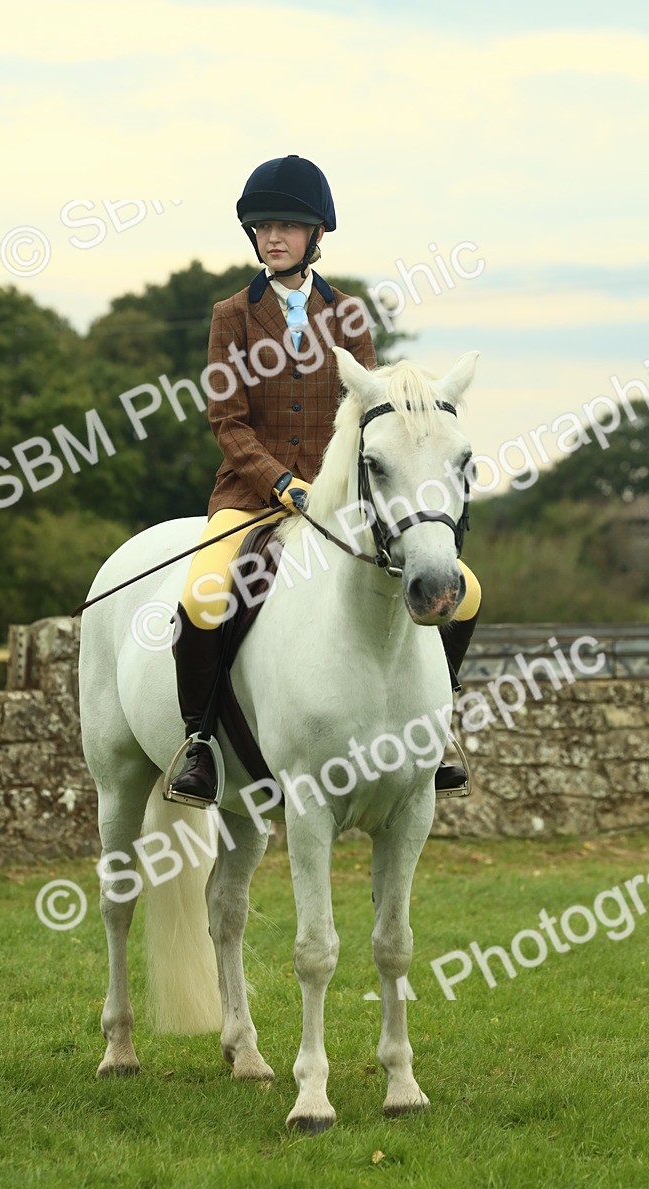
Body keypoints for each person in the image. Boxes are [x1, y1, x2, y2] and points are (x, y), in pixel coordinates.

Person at [169, 154, 481, 805]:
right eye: (262, 227)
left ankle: (435, 729)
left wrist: (338, 486)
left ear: (316, 235)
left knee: (466, 592)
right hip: (251, 499)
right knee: (202, 597)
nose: (273, 236)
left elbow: (371, 412)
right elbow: (227, 422)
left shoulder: (350, 316)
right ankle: (198, 741)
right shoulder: (232, 315)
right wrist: (283, 484)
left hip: (343, 502)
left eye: (287, 225)